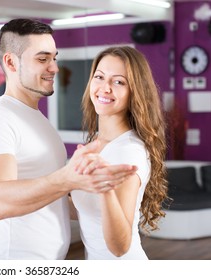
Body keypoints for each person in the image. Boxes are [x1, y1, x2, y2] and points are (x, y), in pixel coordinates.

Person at [0, 18, 138, 260]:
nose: (54, 67)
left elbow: (51, 199)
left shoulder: (36, 118)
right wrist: (68, 179)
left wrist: (110, 203)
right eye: (42, 59)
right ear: (10, 62)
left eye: (54, 58)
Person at [70, 46, 168, 259]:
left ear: (135, 91)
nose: (105, 88)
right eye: (99, 77)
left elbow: (120, 246)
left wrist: (105, 188)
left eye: (118, 82)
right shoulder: (98, 142)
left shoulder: (127, 152)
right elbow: (87, 210)